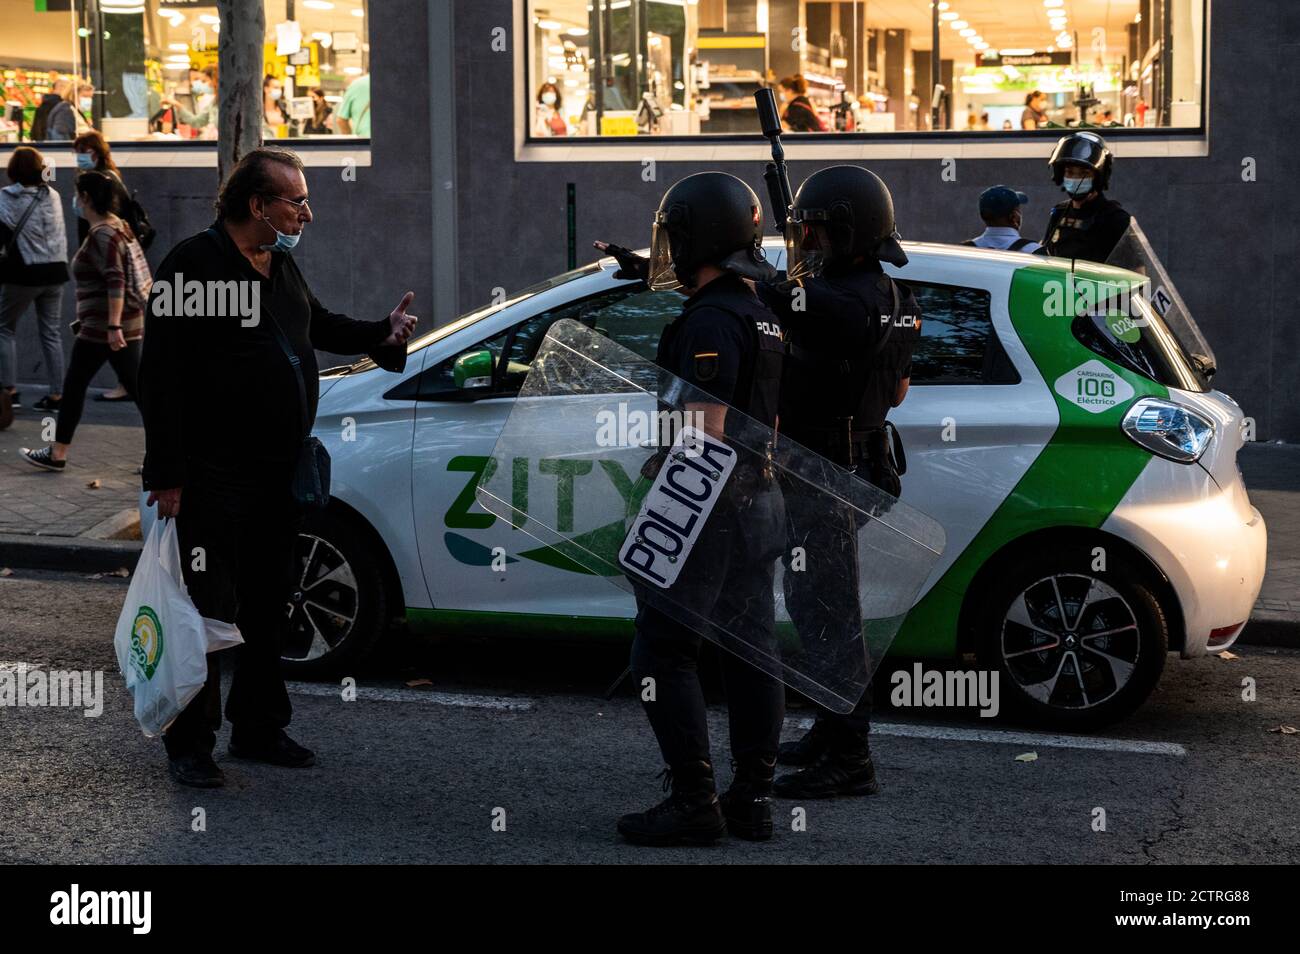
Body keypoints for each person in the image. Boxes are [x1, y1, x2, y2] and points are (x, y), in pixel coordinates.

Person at [138, 147, 417, 788]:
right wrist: (167, 475)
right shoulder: (195, 267)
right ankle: (191, 744)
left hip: (276, 475)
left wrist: (383, 332)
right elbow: (162, 379)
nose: (307, 214)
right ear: (256, 205)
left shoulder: (278, 265)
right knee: (207, 610)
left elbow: (315, 323)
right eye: (296, 202)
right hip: (211, 478)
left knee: (268, 605)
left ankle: (259, 725)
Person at [595, 171, 788, 846]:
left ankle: (694, 801)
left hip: (708, 505)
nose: (669, 249)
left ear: (698, 238)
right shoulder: (760, 310)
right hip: (758, 499)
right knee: (752, 651)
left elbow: (700, 435)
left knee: (664, 649)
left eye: (675, 237)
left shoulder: (709, 319)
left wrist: (659, 498)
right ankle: (752, 800)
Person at [751, 166, 922, 799]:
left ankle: (851, 756)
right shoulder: (895, 298)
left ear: (851, 234)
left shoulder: (843, 302)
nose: (808, 245)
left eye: (818, 234)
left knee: (829, 614)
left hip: (829, 472)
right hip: (858, 464)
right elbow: (898, 391)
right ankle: (831, 727)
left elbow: (772, 293)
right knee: (818, 604)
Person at [19, 172, 148, 471]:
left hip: (106, 328)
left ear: (86, 197)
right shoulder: (118, 226)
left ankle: (58, 452)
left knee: (76, 385)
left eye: (77, 194)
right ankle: (58, 451)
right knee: (138, 391)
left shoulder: (103, 233)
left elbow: (115, 280)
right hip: (119, 325)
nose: (74, 200)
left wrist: (113, 326)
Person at [0, 146, 69, 412]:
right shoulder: (52, 195)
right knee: (51, 333)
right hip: (56, 271)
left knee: (4, 327)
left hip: (23, 272)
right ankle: (57, 395)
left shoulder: (6, 197)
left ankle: (9, 392)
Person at [1041, 131, 1131, 263]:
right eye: (1069, 172)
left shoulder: (1115, 218)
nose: (1075, 178)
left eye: (1084, 173)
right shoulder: (1059, 212)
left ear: (1098, 176)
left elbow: (1136, 270)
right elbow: (1046, 254)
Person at [962, 185, 1044, 253]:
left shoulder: (963, 251)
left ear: (983, 215)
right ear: (1014, 216)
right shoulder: (1035, 251)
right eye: (1019, 210)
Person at [336, 72, 371, 137]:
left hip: (364, 142)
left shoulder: (356, 84)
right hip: (392, 142)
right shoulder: (394, 81)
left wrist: (350, 141)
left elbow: (341, 120)